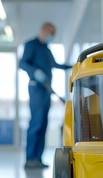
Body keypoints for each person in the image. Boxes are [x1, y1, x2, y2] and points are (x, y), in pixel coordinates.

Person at [20, 22, 71, 169]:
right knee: (36, 123)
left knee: (43, 124)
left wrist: (75, 65)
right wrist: (35, 72)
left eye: (54, 34)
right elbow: (22, 63)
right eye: (51, 33)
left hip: (46, 91)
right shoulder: (31, 45)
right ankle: (29, 159)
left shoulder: (46, 49)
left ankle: (38, 159)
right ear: (43, 30)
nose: (52, 36)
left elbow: (56, 65)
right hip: (36, 88)